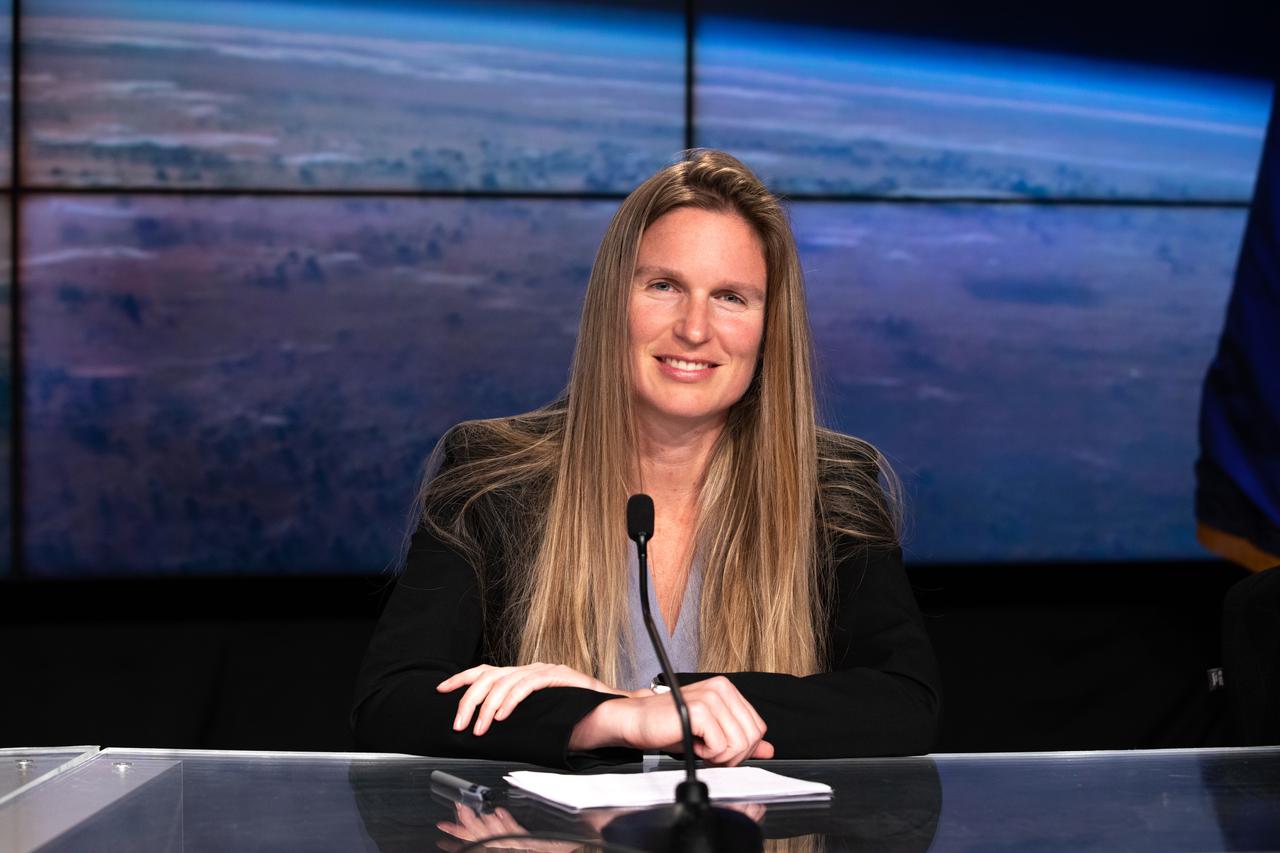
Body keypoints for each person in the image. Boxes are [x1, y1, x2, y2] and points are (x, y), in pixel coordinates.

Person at [351, 150, 940, 769]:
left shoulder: (832, 487)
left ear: (770, 328)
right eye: (664, 286)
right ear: (614, 302)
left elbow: (903, 703)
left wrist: (656, 703)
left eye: (732, 298)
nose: (694, 328)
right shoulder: (491, 474)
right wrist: (611, 718)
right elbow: (394, 701)